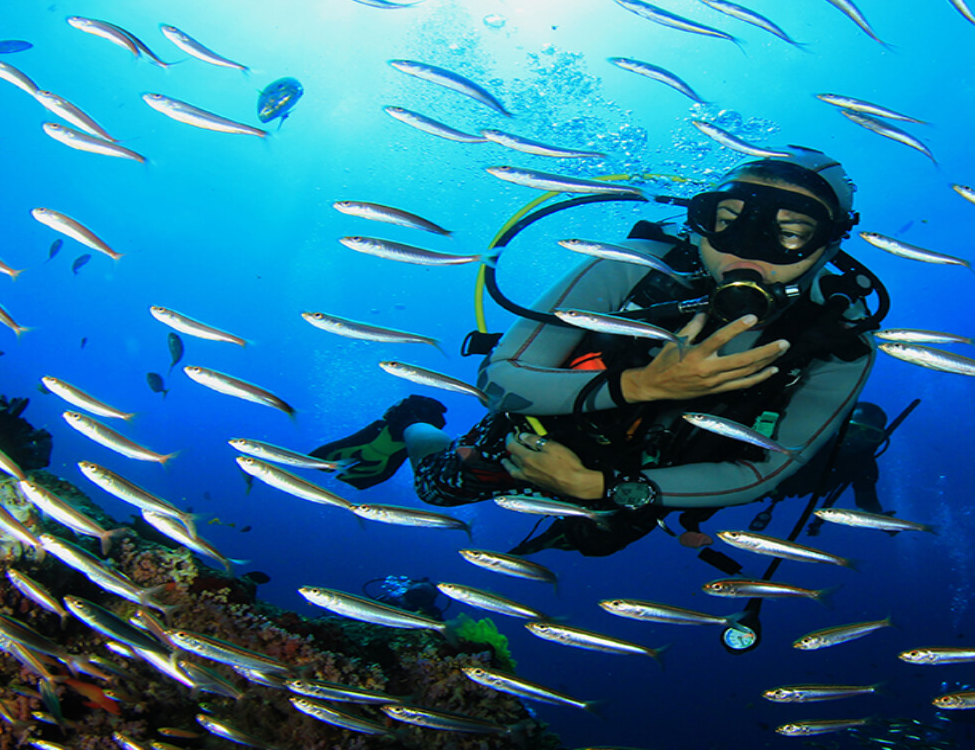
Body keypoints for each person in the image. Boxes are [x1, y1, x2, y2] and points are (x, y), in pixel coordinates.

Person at [314, 147, 881, 555]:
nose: (746, 249)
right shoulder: (633, 267)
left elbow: (767, 468)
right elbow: (501, 377)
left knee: (597, 543)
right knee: (436, 487)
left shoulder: (841, 341)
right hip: (544, 430)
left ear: (829, 243)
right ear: (698, 220)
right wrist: (645, 386)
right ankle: (409, 423)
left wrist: (604, 490)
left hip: (643, 474)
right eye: (726, 221)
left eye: (789, 232)